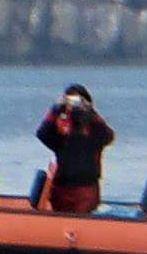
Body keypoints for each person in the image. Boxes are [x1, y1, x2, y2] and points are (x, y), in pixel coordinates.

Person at [35, 83, 114, 213]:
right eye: (70, 100)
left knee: (84, 218)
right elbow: (42, 134)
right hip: (61, 185)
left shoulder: (93, 126)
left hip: (86, 186)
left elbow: (108, 136)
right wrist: (55, 109)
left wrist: (90, 112)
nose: (74, 104)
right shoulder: (61, 127)